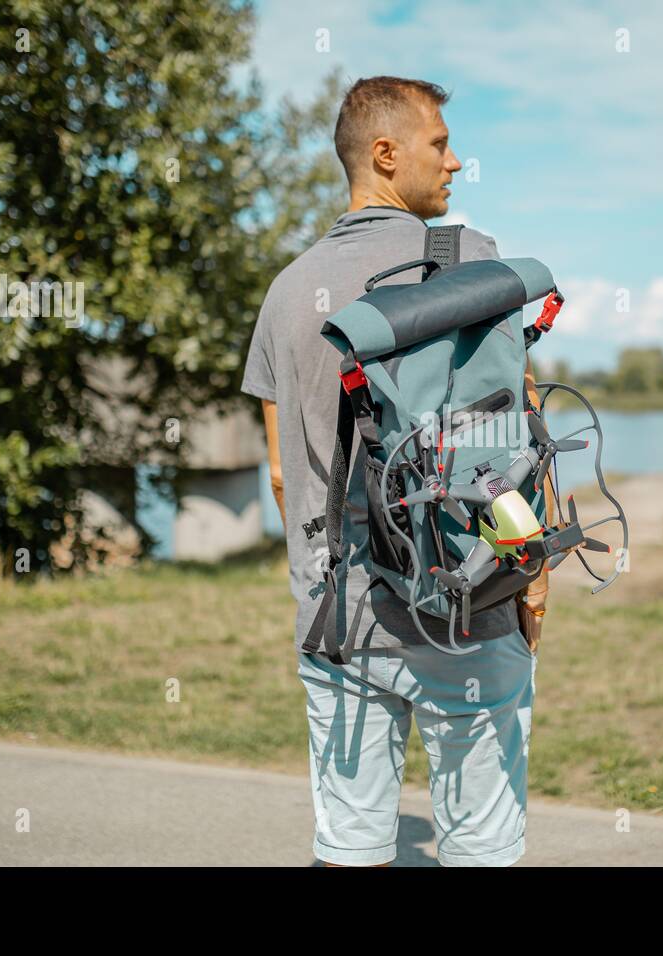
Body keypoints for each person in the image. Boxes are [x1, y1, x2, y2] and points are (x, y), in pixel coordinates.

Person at [241, 76, 553, 867]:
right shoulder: (474, 264)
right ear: (386, 154)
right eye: (440, 144)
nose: (454, 162)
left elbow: (282, 476)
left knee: (350, 847)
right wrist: (534, 574)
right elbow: (517, 432)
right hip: (469, 603)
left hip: (337, 618)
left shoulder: (284, 296)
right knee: (480, 845)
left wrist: (322, 572)